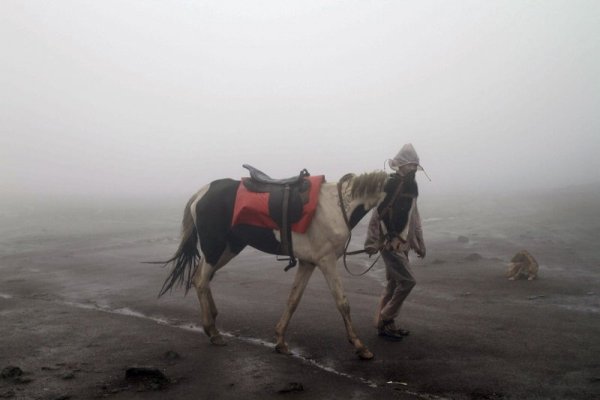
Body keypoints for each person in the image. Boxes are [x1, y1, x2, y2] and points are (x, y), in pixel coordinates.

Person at [364, 143, 426, 341]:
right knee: (408, 282)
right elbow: (376, 215)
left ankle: (385, 325)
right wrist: (371, 242)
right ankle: (385, 317)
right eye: (411, 166)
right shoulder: (389, 185)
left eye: (415, 166)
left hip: (403, 244)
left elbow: (414, 217)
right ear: (401, 166)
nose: (413, 169)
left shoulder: (412, 187)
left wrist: (419, 243)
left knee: (392, 284)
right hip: (389, 244)